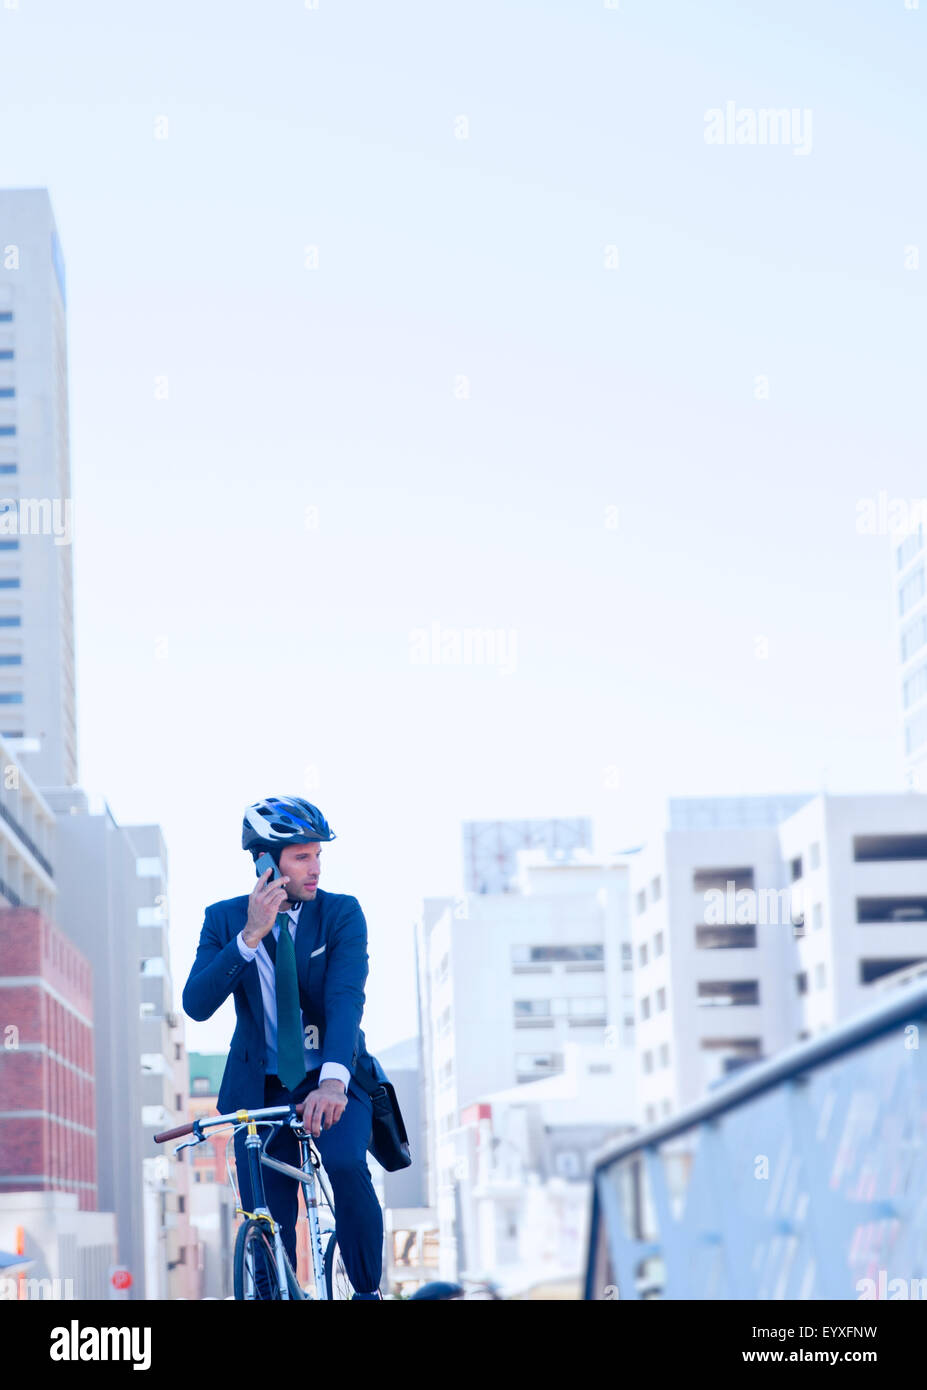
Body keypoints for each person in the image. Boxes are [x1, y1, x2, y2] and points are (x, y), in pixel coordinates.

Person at [182, 795, 384, 1299]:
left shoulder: (341, 914)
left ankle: (365, 1291)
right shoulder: (224, 920)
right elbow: (196, 1004)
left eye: (318, 855)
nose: (316, 868)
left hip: (333, 1076)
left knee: (344, 1164)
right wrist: (250, 936)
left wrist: (335, 1081)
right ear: (265, 862)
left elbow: (345, 999)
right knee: (265, 1218)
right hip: (262, 1085)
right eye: (302, 857)